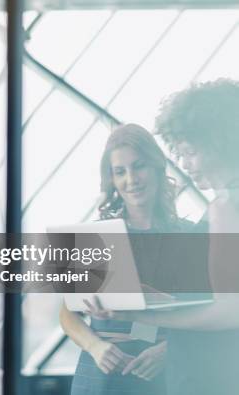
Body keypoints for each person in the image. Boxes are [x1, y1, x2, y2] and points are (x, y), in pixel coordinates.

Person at [85, 79, 239, 395]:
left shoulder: (224, 208)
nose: (184, 165)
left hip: (206, 372)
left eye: (190, 152)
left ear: (217, 142)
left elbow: (229, 310)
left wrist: (139, 312)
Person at [61, 124, 192, 395]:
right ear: (112, 179)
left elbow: (213, 313)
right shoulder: (96, 236)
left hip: (164, 372)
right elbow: (67, 314)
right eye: (120, 172)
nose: (131, 179)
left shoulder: (190, 236)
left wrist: (171, 350)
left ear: (157, 168)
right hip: (101, 373)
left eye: (139, 166)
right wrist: (96, 347)